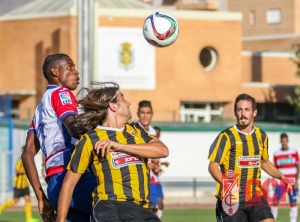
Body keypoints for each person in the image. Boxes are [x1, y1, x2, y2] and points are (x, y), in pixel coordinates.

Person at [56, 81, 169, 222]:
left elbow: (162, 150)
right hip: (109, 207)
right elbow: (69, 184)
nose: (129, 103)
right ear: (113, 105)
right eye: (123, 98)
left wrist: (118, 145)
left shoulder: (137, 131)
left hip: (141, 209)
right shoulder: (90, 139)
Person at [21, 53, 97, 222]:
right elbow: (73, 126)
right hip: (73, 175)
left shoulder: (40, 108)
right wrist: (105, 138)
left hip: (54, 185)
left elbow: (27, 154)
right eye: (70, 67)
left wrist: (41, 197)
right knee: (123, 209)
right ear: (55, 71)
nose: (76, 72)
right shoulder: (61, 93)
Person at [208, 93, 292, 222]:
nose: (243, 114)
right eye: (239, 110)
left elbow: (264, 162)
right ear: (235, 112)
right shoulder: (226, 136)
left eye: (247, 109)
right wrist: (228, 184)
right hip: (232, 199)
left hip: (255, 195)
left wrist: (282, 177)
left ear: (254, 112)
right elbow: (213, 167)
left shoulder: (261, 136)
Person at [136, 101, 168, 219]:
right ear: (138, 114)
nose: (145, 116)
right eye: (142, 113)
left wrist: (157, 163)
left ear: (152, 114)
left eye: (148, 113)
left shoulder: (153, 132)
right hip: (140, 177)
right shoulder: (133, 130)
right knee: (149, 208)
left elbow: (155, 153)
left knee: (159, 204)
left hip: (153, 176)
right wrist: (145, 163)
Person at [0, 146, 38, 222]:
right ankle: (1, 208)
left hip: (25, 185)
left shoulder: (28, 160)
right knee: (15, 201)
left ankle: (29, 218)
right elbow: (16, 171)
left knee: (28, 200)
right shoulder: (20, 160)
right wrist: (26, 171)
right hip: (18, 185)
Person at [271, 133, 299, 222]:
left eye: (285, 141)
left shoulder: (294, 152)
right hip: (281, 183)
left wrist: (297, 181)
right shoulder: (276, 154)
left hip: (293, 182)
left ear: (287, 141)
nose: (284, 143)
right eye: (282, 141)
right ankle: (273, 220)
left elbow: (298, 167)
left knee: (293, 203)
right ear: (280, 141)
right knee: (275, 202)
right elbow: (274, 170)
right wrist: (274, 181)